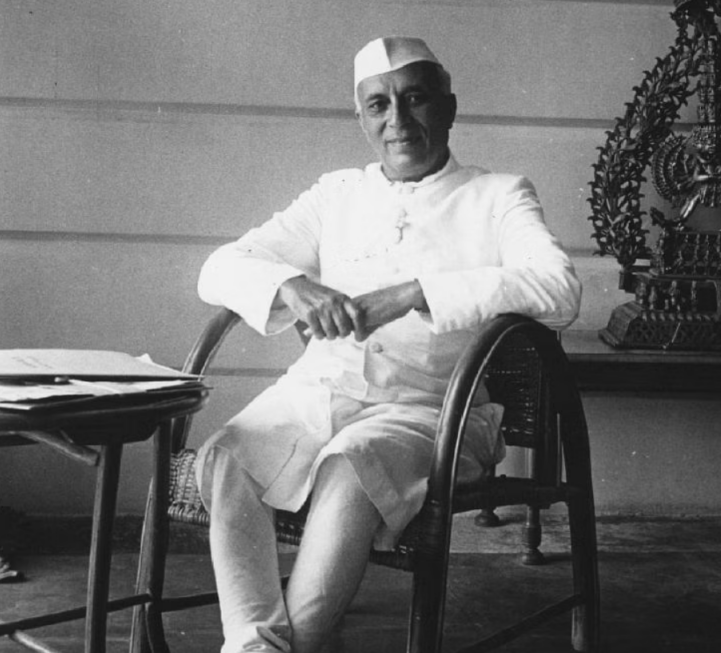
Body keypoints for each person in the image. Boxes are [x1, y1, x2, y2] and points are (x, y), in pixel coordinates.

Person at [194, 36, 581, 653]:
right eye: (378, 105)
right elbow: (219, 268)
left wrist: (412, 293)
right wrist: (293, 286)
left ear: (448, 108)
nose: (397, 121)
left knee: (353, 466)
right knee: (228, 454)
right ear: (360, 117)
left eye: (415, 99)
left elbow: (558, 290)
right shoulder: (336, 194)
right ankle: (257, 644)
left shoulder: (498, 194)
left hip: (435, 412)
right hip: (319, 395)